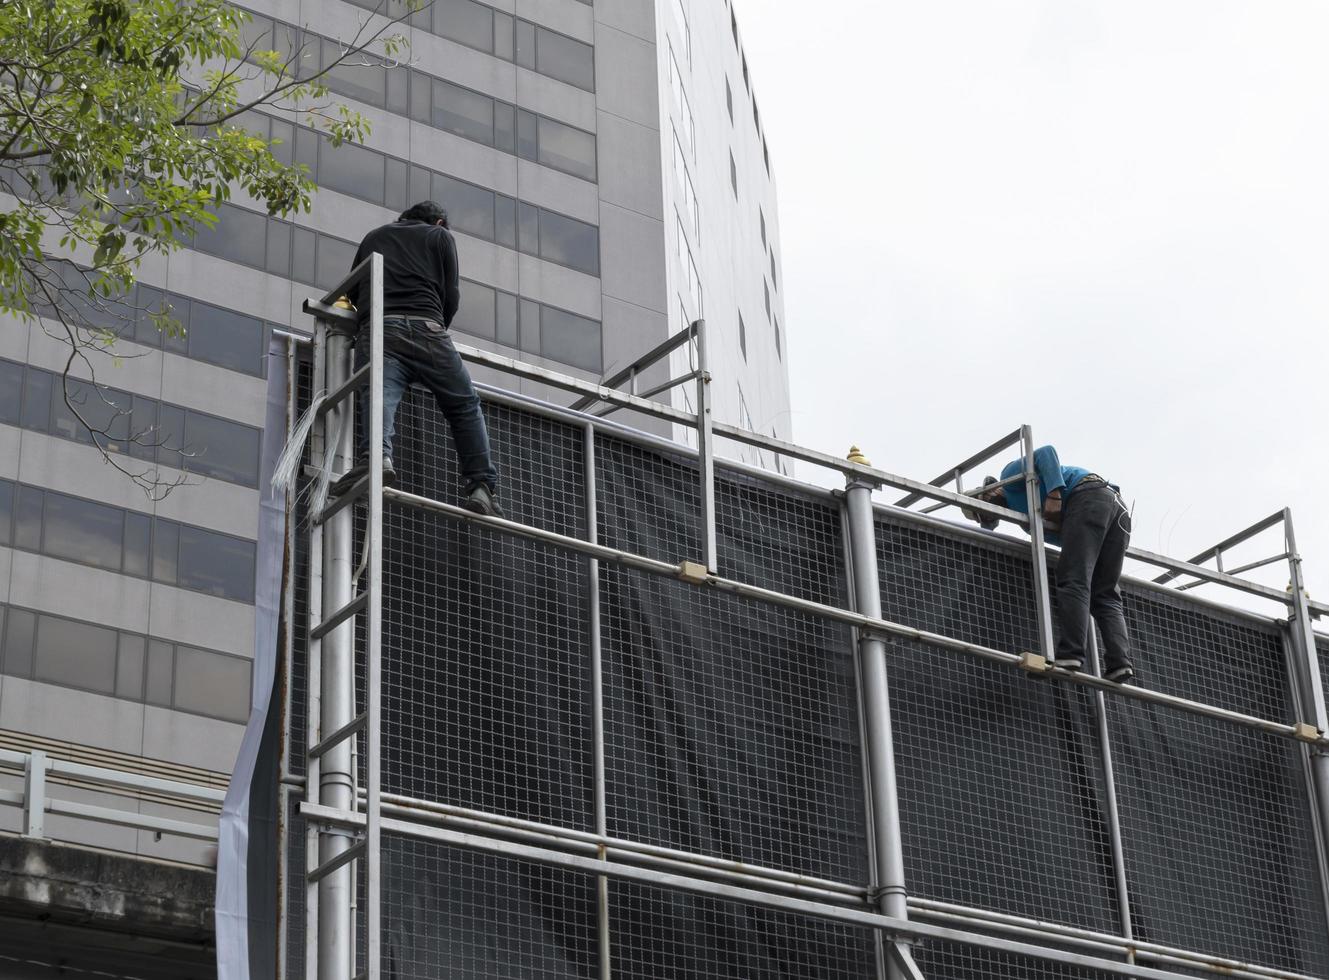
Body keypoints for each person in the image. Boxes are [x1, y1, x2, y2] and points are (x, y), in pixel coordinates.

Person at [332, 201, 502, 517]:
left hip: (380, 327)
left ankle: (376, 459)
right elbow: (451, 294)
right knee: (463, 405)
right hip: (428, 327)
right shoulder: (439, 237)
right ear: (438, 221)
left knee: (377, 393)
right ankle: (481, 487)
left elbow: (354, 291)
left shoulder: (373, 236)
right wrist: (436, 324)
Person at [964, 445, 1135, 683]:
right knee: (1104, 593)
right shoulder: (1027, 520)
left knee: (1073, 578)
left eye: (986, 510)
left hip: (1088, 495)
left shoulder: (1011, 477)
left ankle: (1071, 654)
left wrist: (1055, 493)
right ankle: (1120, 663)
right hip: (1115, 511)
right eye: (988, 518)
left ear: (990, 492)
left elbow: (1046, 452)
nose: (993, 514)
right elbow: (1070, 539)